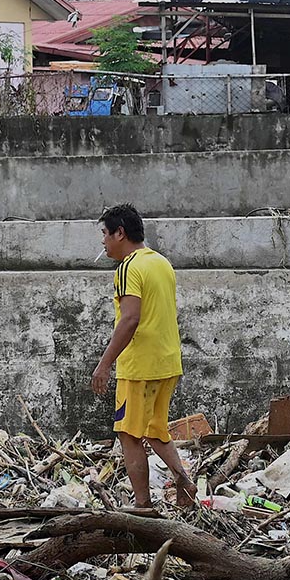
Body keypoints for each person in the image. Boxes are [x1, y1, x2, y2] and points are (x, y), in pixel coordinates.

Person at [91, 204, 196, 508]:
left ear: (119, 233)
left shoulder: (127, 268)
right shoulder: (161, 263)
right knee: (154, 429)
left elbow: (130, 319)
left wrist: (104, 364)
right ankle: (183, 479)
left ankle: (142, 506)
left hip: (139, 367)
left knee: (128, 435)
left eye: (105, 234)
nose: (103, 242)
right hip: (168, 363)